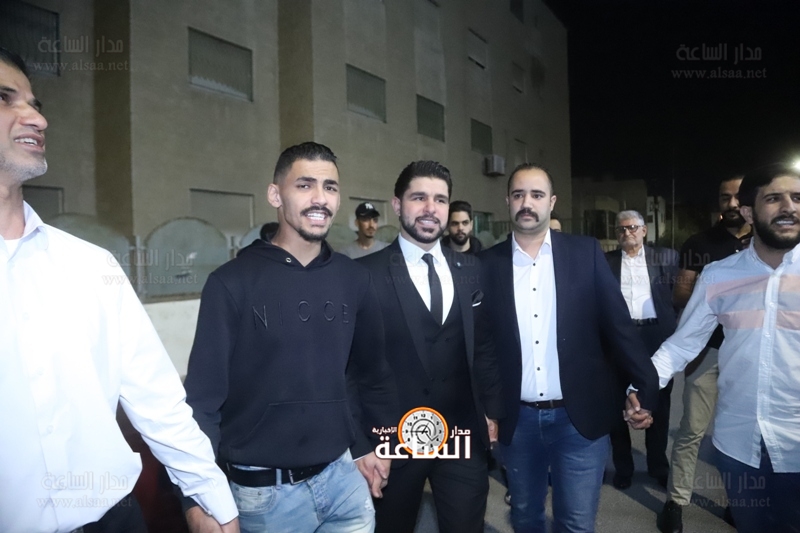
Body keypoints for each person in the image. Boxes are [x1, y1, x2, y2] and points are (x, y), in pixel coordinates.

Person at [0, 48, 239, 533]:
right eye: (5, 99)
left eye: (35, 103)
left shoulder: (91, 265)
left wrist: (211, 498)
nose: (38, 119)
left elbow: (158, 400)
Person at [183, 142, 399, 533]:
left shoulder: (355, 280)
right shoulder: (231, 283)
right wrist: (197, 497)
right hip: (265, 498)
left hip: (344, 483)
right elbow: (202, 401)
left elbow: (370, 376)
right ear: (275, 195)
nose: (320, 198)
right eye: (304, 185)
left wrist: (372, 445)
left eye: (330, 187)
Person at [478, 163, 659, 533]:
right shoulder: (486, 265)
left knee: (576, 522)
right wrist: (484, 407)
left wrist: (644, 386)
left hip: (579, 421)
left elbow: (618, 328)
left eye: (537, 195)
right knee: (525, 517)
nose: (527, 203)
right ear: (508, 201)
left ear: (552, 202)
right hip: (517, 421)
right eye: (518, 195)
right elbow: (482, 346)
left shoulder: (584, 253)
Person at [650, 164, 800, 533]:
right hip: (739, 446)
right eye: (774, 198)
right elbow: (682, 344)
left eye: (798, 198)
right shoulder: (719, 275)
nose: (789, 207)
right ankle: (677, 501)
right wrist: (640, 387)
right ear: (749, 212)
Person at [358, 161, 503, 533]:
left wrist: (491, 410)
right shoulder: (364, 275)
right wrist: (361, 444)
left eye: (440, 199)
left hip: (461, 434)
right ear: (397, 204)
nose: (430, 208)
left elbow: (483, 347)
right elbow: (351, 368)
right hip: (392, 440)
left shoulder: (471, 269)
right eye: (418, 197)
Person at [657, 175, 751, 533]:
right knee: (692, 430)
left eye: (737, 197)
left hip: (748, 352)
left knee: (740, 432)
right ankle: (676, 501)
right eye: (725, 197)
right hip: (707, 350)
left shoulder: (765, 243)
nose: (731, 204)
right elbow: (681, 295)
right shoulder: (700, 243)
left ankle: (738, 503)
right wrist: (721, 281)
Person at [605, 210, 679, 490]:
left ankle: (658, 465)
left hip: (655, 336)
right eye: (621, 229)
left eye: (633, 227)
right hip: (619, 337)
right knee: (615, 402)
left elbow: (678, 296)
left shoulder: (667, 258)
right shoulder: (606, 261)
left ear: (644, 230)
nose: (627, 233)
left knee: (658, 401)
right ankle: (623, 467)